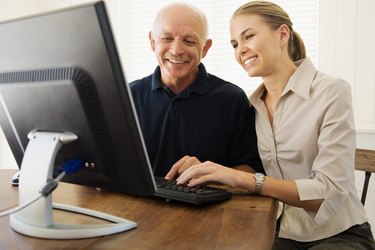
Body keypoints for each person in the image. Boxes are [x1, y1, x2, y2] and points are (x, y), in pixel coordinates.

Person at [171, 1, 375, 249]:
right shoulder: (251, 105)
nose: (241, 50)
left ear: (282, 33)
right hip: (279, 233)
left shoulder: (331, 91)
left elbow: (328, 193)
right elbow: (243, 171)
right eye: (235, 44)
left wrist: (246, 180)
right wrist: (206, 172)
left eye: (249, 36)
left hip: (338, 234)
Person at [129, 3, 263, 177]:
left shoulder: (232, 99)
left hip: (211, 204)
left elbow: (251, 170)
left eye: (189, 41)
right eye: (167, 38)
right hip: (138, 204)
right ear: (153, 42)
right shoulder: (128, 96)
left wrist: (211, 175)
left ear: (205, 48)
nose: (176, 50)